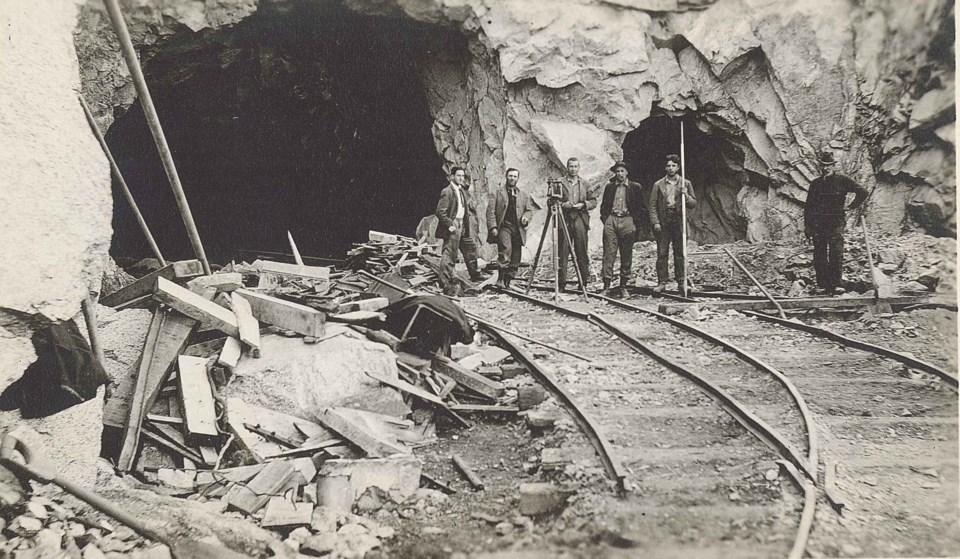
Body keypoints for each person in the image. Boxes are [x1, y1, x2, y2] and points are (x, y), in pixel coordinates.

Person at [804, 151, 868, 294]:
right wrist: (807, 227)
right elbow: (808, 207)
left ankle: (836, 284)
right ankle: (822, 285)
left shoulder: (842, 180)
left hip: (836, 222)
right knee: (819, 253)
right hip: (818, 224)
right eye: (823, 165)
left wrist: (851, 206)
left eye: (829, 165)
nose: (826, 168)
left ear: (833, 166)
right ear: (820, 166)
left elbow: (863, 192)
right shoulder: (815, 184)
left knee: (836, 252)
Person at [649, 154, 697, 292]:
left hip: (679, 221)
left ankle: (681, 281)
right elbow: (652, 205)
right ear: (665, 167)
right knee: (662, 253)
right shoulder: (658, 185)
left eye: (673, 166)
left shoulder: (685, 183)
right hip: (664, 221)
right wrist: (655, 222)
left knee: (680, 253)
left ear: (678, 167)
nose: (671, 168)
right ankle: (662, 282)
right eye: (668, 166)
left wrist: (686, 195)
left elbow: (693, 203)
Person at [599, 161, 646, 296]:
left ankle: (623, 286)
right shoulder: (610, 187)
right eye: (617, 171)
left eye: (622, 171)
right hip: (612, 220)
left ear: (627, 173)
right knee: (609, 254)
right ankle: (606, 285)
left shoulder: (635, 187)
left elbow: (642, 208)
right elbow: (604, 206)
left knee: (626, 255)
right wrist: (606, 219)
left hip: (627, 220)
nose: (620, 174)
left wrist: (634, 223)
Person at [435, 166, 483, 295]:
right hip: (454, 224)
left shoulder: (460, 190)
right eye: (458, 176)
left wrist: (465, 226)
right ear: (452, 176)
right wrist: (450, 225)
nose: (461, 178)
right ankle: (444, 281)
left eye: (462, 176)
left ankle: (475, 275)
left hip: (462, 225)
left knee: (470, 247)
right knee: (450, 254)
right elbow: (440, 211)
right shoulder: (447, 191)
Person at [487, 168, 533, 288]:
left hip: (518, 228)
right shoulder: (497, 193)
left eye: (515, 176)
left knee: (516, 254)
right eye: (510, 176)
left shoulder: (523, 194)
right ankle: (500, 278)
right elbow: (490, 211)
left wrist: (526, 218)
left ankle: (509, 278)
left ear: (518, 178)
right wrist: (493, 227)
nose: (512, 178)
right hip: (504, 227)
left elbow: (529, 211)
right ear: (506, 177)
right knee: (505, 250)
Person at [557, 157, 597, 288]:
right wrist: (563, 204)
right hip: (565, 219)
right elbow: (552, 201)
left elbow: (593, 201)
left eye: (575, 166)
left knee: (581, 251)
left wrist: (584, 204)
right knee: (563, 252)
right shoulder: (560, 182)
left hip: (580, 218)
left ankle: (583, 283)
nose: (573, 169)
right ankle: (561, 283)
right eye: (571, 166)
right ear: (567, 167)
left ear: (579, 168)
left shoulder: (585, 183)